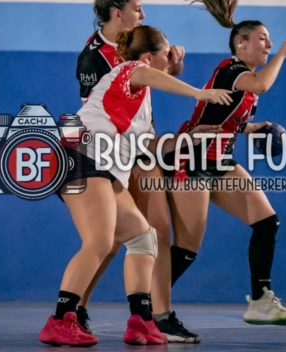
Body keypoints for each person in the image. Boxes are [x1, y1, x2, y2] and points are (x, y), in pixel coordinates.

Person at [38, 25, 232, 347]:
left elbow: (149, 146)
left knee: (143, 238)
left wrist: (188, 139)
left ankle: (141, 321)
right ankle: (60, 320)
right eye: (166, 54)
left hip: (102, 167)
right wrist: (200, 93)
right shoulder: (128, 70)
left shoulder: (140, 101)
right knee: (99, 242)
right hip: (82, 157)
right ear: (148, 57)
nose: (171, 60)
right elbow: (145, 73)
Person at [163, 0, 286, 325]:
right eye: (263, 39)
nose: (269, 45)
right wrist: (283, 54)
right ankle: (148, 310)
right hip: (192, 159)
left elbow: (225, 117)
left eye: (270, 42)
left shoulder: (240, 81)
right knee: (187, 248)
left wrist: (251, 127)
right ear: (241, 43)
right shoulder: (233, 71)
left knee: (266, 222)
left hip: (219, 160)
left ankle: (260, 301)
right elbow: (260, 85)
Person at [75, 0, 201, 343]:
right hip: (113, 151)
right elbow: (103, 108)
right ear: (118, 13)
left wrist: (172, 66)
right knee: (116, 238)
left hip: (141, 147)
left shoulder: (138, 45)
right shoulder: (94, 56)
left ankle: (155, 316)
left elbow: (152, 78)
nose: (143, 14)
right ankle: (77, 308)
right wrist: (199, 93)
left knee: (150, 232)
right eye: (138, 8)